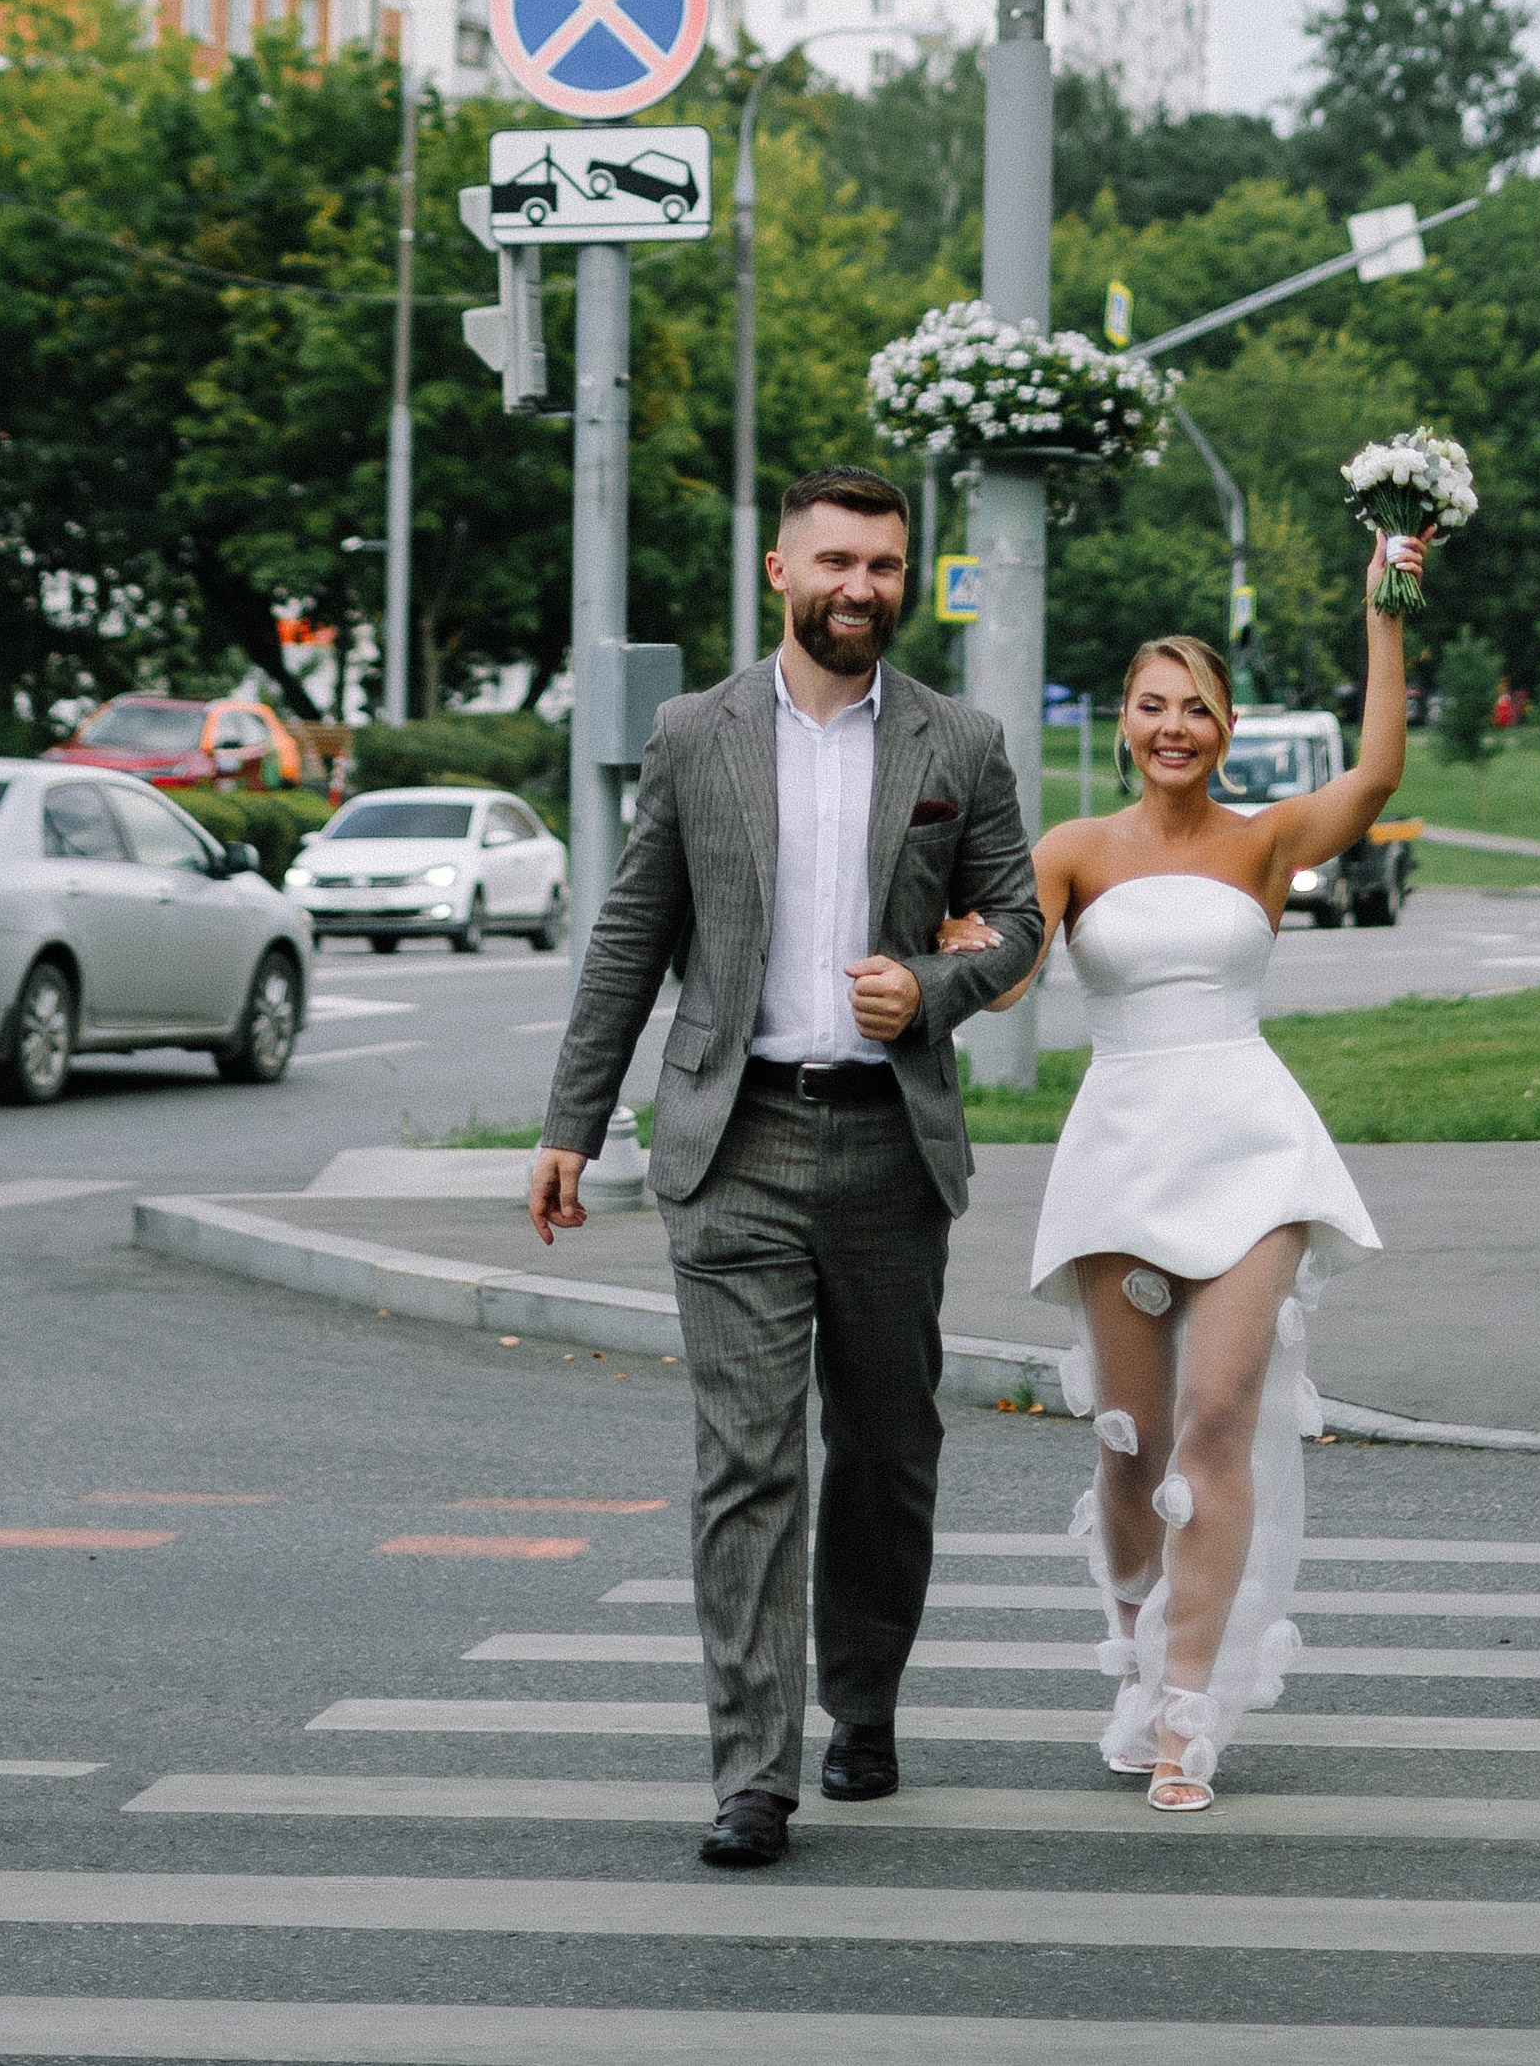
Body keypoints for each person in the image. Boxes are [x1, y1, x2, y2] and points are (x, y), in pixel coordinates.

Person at [529, 465, 1043, 1871]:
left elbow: (1017, 926)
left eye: (880, 564)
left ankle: (861, 1700)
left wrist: (930, 991)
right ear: (779, 572)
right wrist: (571, 1121)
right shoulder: (696, 735)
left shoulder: (961, 740)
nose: (858, 587)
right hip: (732, 1140)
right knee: (745, 1463)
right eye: (834, 561)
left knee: (885, 1453)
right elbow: (632, 936)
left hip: (889, 1145)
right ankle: (750, 1770)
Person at [942, 532, 1421, 1811]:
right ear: (1122, 726)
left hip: (1251, 1143)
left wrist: (1387, 604)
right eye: (1152, 707)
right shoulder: (1074, 849)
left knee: (1213, 1423)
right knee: (1127, 1439)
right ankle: (1132, 1659)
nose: (1173, 726)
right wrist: (947, 945)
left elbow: (1375, 772)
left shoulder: (1264, 843)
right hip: (1122, 1149)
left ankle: (1191, 1707)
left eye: (1195, 708)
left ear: (1223, 727)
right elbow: (1003, 978)